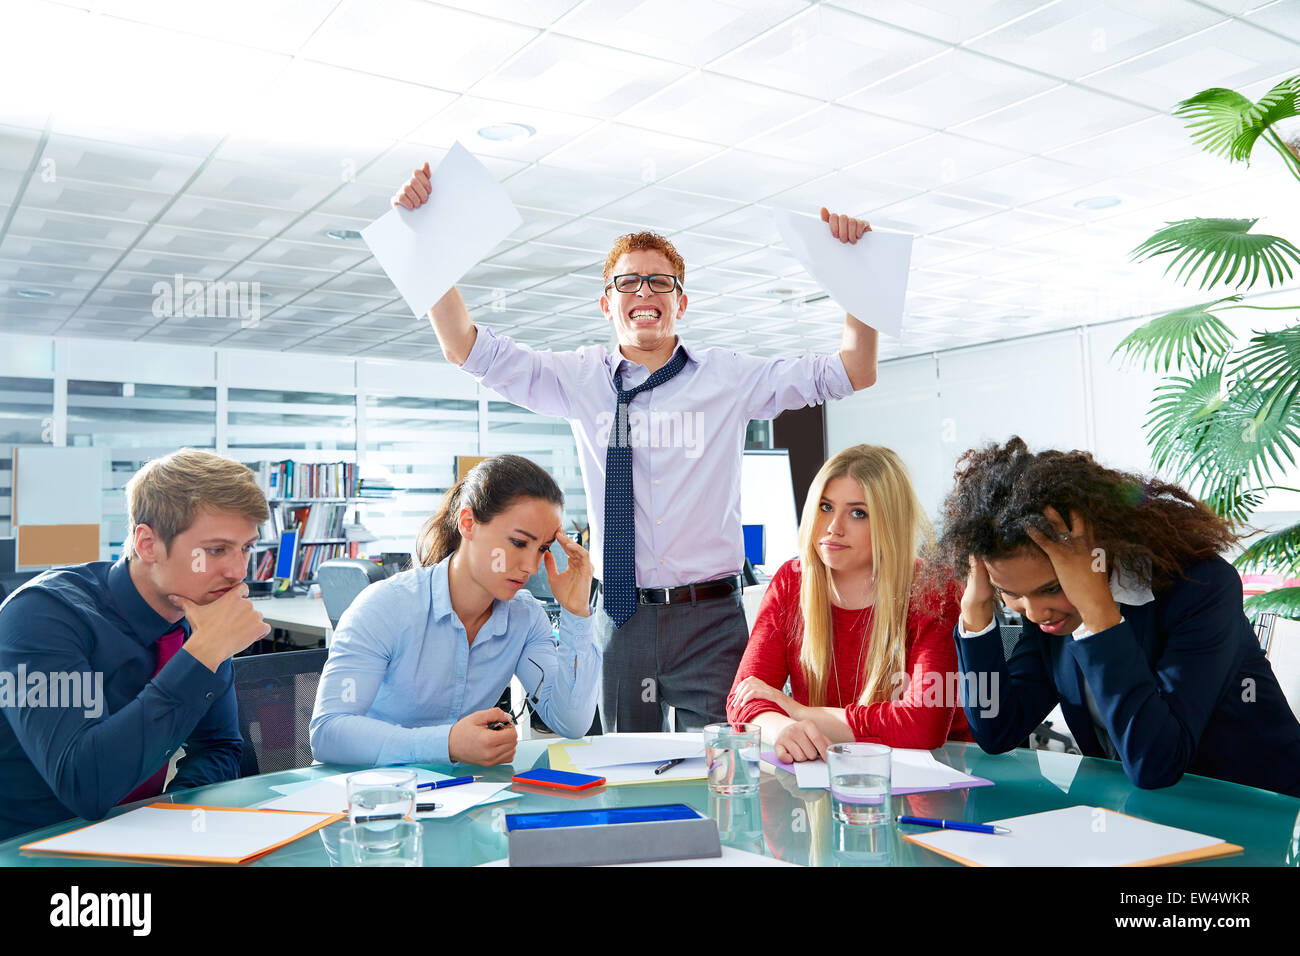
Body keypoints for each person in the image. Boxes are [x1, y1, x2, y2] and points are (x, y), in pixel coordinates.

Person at [394, 163, 879, 733]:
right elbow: (465, 348)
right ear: (607, 304)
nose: (643, 291)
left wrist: (857, 278)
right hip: (620, 617)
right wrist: (425, 241)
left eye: (659, 282)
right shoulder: (578, 378)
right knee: (624, 778)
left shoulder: (728, 377)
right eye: (628, 281)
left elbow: (854, 369)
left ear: (682, 302)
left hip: (712, 619)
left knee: (724, 773)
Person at [934, 436, 1300, 796]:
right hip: (1145, 818)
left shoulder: (1201, 587)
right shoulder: (1047, 615)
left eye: (1049, 588)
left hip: (1259, 810)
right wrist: (976, 612)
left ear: (1098, 551)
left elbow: (1158, 763)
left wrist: (1096, 611)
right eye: (1010, 593)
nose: (1034, 613)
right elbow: (997, 732)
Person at [0, 448, 271, 840]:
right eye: (215, 550)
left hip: (134, 843)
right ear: (147, 544)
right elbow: (85, 785)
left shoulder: (200, 615)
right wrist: (201, 656)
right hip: (31, 844)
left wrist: (171, 824)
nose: (238, 571)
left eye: (245, 547)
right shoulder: (44, 617)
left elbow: (219, 747)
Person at [309, 455, 598, 767]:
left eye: (541, 548)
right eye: (517, 542)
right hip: (369, 795)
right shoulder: (384, 606)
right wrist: (447, 744)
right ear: (468, 523)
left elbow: (571, 722)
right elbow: (328, 732)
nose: (530, 566)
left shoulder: (525, 618)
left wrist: (577, 613)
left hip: (458, 794)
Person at [727, 445, 969, 763]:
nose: (832, 527)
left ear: (890, 522)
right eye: (825, 507)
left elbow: (922, 728)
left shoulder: (935, 590)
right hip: (827, 766)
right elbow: (745, 697)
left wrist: (800, 712)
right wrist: (783, 728)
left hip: (936, 772)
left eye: (858, 513)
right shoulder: (791, 581)